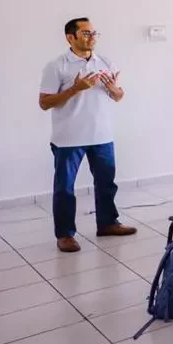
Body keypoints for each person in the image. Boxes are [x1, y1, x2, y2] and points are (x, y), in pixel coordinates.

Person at [39, 17, 137, 253]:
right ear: (70, 37)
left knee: (106, 183)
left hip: (102, 135)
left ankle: (107, 223)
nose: (91, 37)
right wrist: (75, 89)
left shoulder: (105, 61)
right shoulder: (57, 65)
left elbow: (118, 95)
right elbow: (44, 103)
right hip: (68, 139)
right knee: (65, 188)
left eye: (94, 33)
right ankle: (65, 234)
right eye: (85, 33)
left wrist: (115, 90)